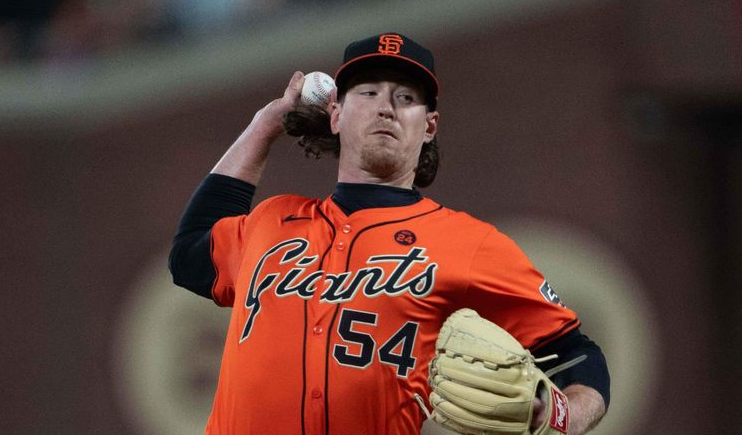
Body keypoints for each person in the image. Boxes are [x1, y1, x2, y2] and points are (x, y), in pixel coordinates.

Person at [169, 33, 609, 435]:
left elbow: (579, 355)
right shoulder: (274, 220)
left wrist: (561, 414)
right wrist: (265, 126)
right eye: (368, 92)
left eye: (405, 97)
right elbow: (189, 256)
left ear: (429, 126)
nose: (386, 107)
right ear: (336, 114)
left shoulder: (469, 243)